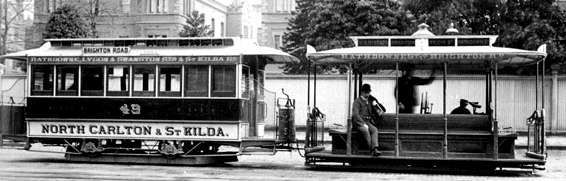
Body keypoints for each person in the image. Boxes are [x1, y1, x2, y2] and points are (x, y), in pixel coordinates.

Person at [352, 84, 382, 156]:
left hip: (368, 122)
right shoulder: (357, 101)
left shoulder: (370, 102)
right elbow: (356, 115)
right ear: (362, 92)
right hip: (359, 123)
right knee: (365, 130)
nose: (367, 94)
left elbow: (381, 112)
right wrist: (363, 124)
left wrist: (377, 104)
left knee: (374, 129)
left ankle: (375, 148)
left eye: (368, 92)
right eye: (366, 92)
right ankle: (372, 150)